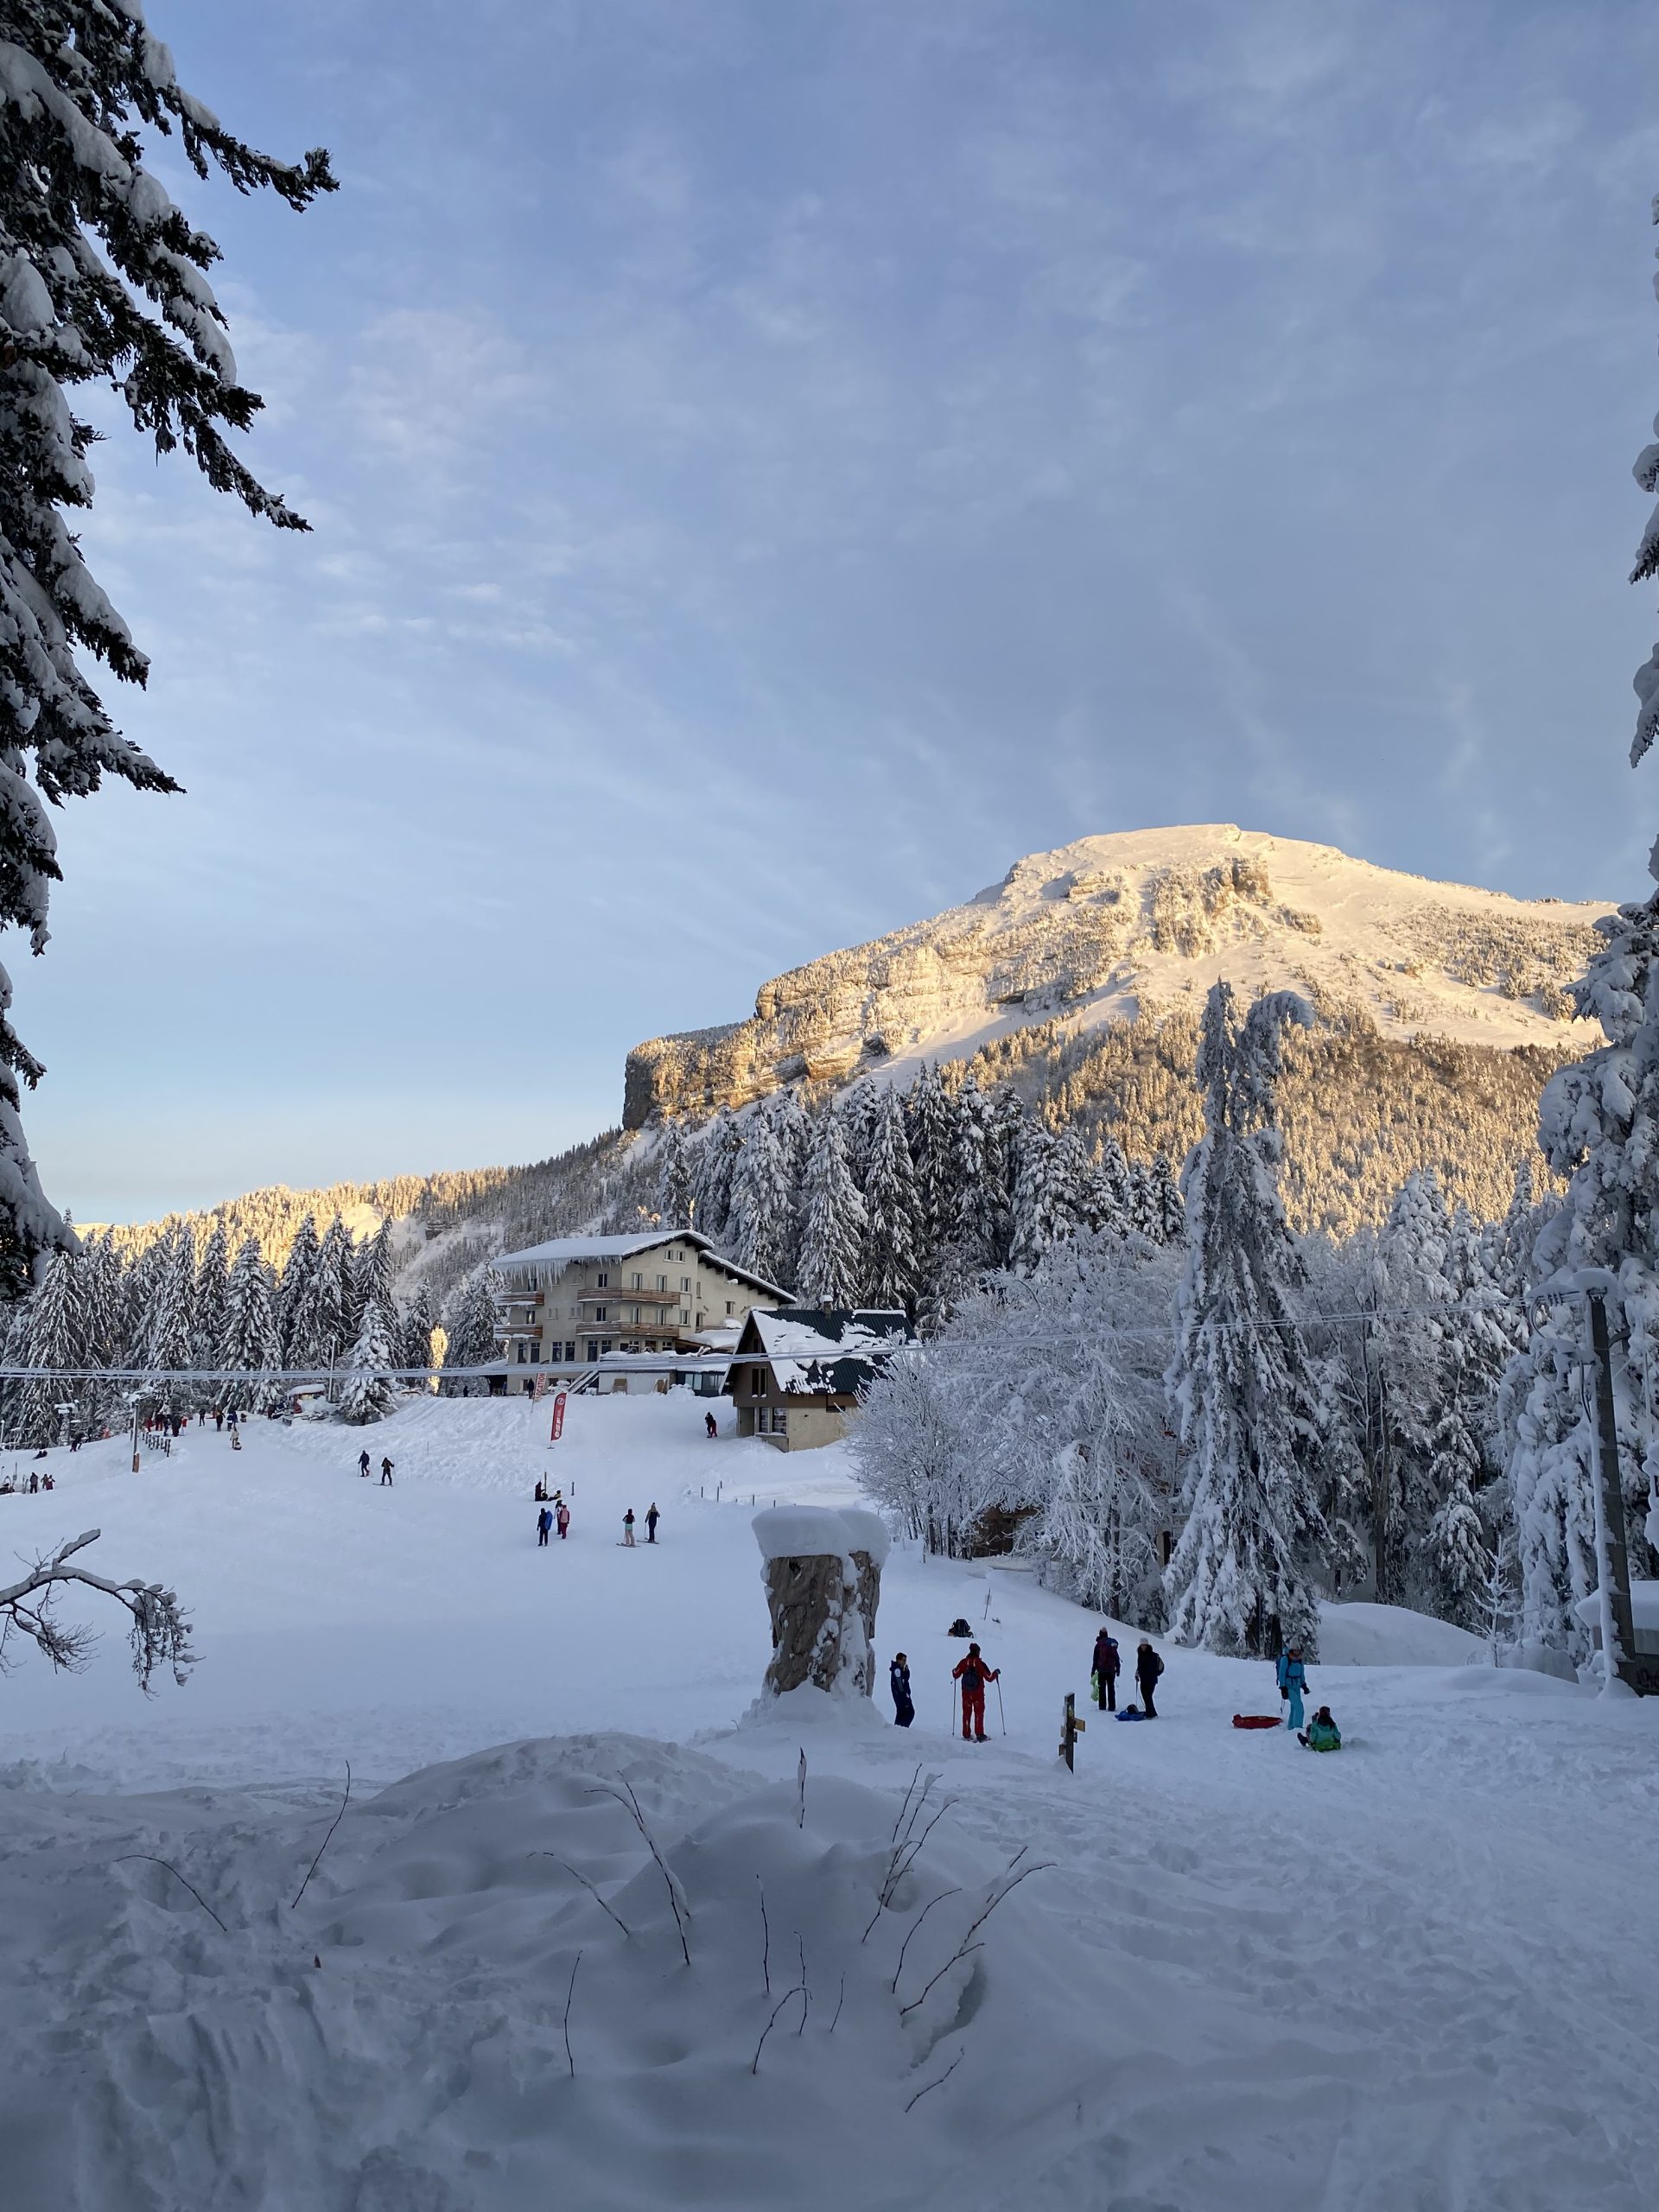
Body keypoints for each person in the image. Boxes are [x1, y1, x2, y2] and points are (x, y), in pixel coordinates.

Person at [951, 1642, 1000, 1743]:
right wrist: (996, 1673)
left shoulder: (964, 1662)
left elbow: (956, 1674)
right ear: (977, 1652)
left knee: (966, 1713)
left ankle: (966, 1734)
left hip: (966, 1693)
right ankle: (979, 1734)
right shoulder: (980, 1664)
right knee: (979, 1713)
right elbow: (989, 1678)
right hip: (978, 1694)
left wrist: (953, 1670)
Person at [1277, 1644, 1307, 1732]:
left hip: (1296, 1686)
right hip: (1288, 1686)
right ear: (1291, 1650)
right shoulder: (1285, 1659)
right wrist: (1283, 1687)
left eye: (1298, 1650)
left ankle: (1291, 1728)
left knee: (1294, 1707)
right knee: (1299, 1707)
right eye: (1295, 1650)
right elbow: (1282, 1673)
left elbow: (1301, 1674)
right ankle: (1298, 1729)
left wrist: (1304, 1685)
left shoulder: (1300, 1660)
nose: (1297, 1652)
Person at [1091, 1626, 1121, 1713]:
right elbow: (1116, 1657)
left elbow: (1095, 1659)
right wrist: (1118, 1668)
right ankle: (1112, 1707)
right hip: (1111, 1670)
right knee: (1111, 1688)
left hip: (1101, 1670)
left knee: (1102, 1688)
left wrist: (1093, 1670)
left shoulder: (1098, 1645)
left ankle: (1102, 1706)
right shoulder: (1111, 1644)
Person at [1135, 1639, 1164, 1718]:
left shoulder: (1153, 1655)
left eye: (1145, 1645)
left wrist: (1155, 1674)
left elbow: (1160, 1667)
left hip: (1151, 1680)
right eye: (1142, 1645)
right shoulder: (1140, 1655)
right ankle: (1151, 1712)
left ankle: (1151, 1713)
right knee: (1146, 1696)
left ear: (1148, 1646)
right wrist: (1137, 1674)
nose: (1143, 1647)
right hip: (1143, 1679)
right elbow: (1140, 1667)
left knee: (1148, 1696)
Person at [889, 1652, 914, 1727]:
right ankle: (902, 1730)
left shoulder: (899, 1670)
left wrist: (906, 1671)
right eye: (903, 1660)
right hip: (902, 1697)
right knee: (910, 1713)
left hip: (899, 1697)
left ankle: (897, 1730)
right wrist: (905, 1699)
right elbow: (900, 1686)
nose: (904, 1662)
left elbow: (904, 1680)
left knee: (901, 1714)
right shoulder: (897, 1671)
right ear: (898, 1660)